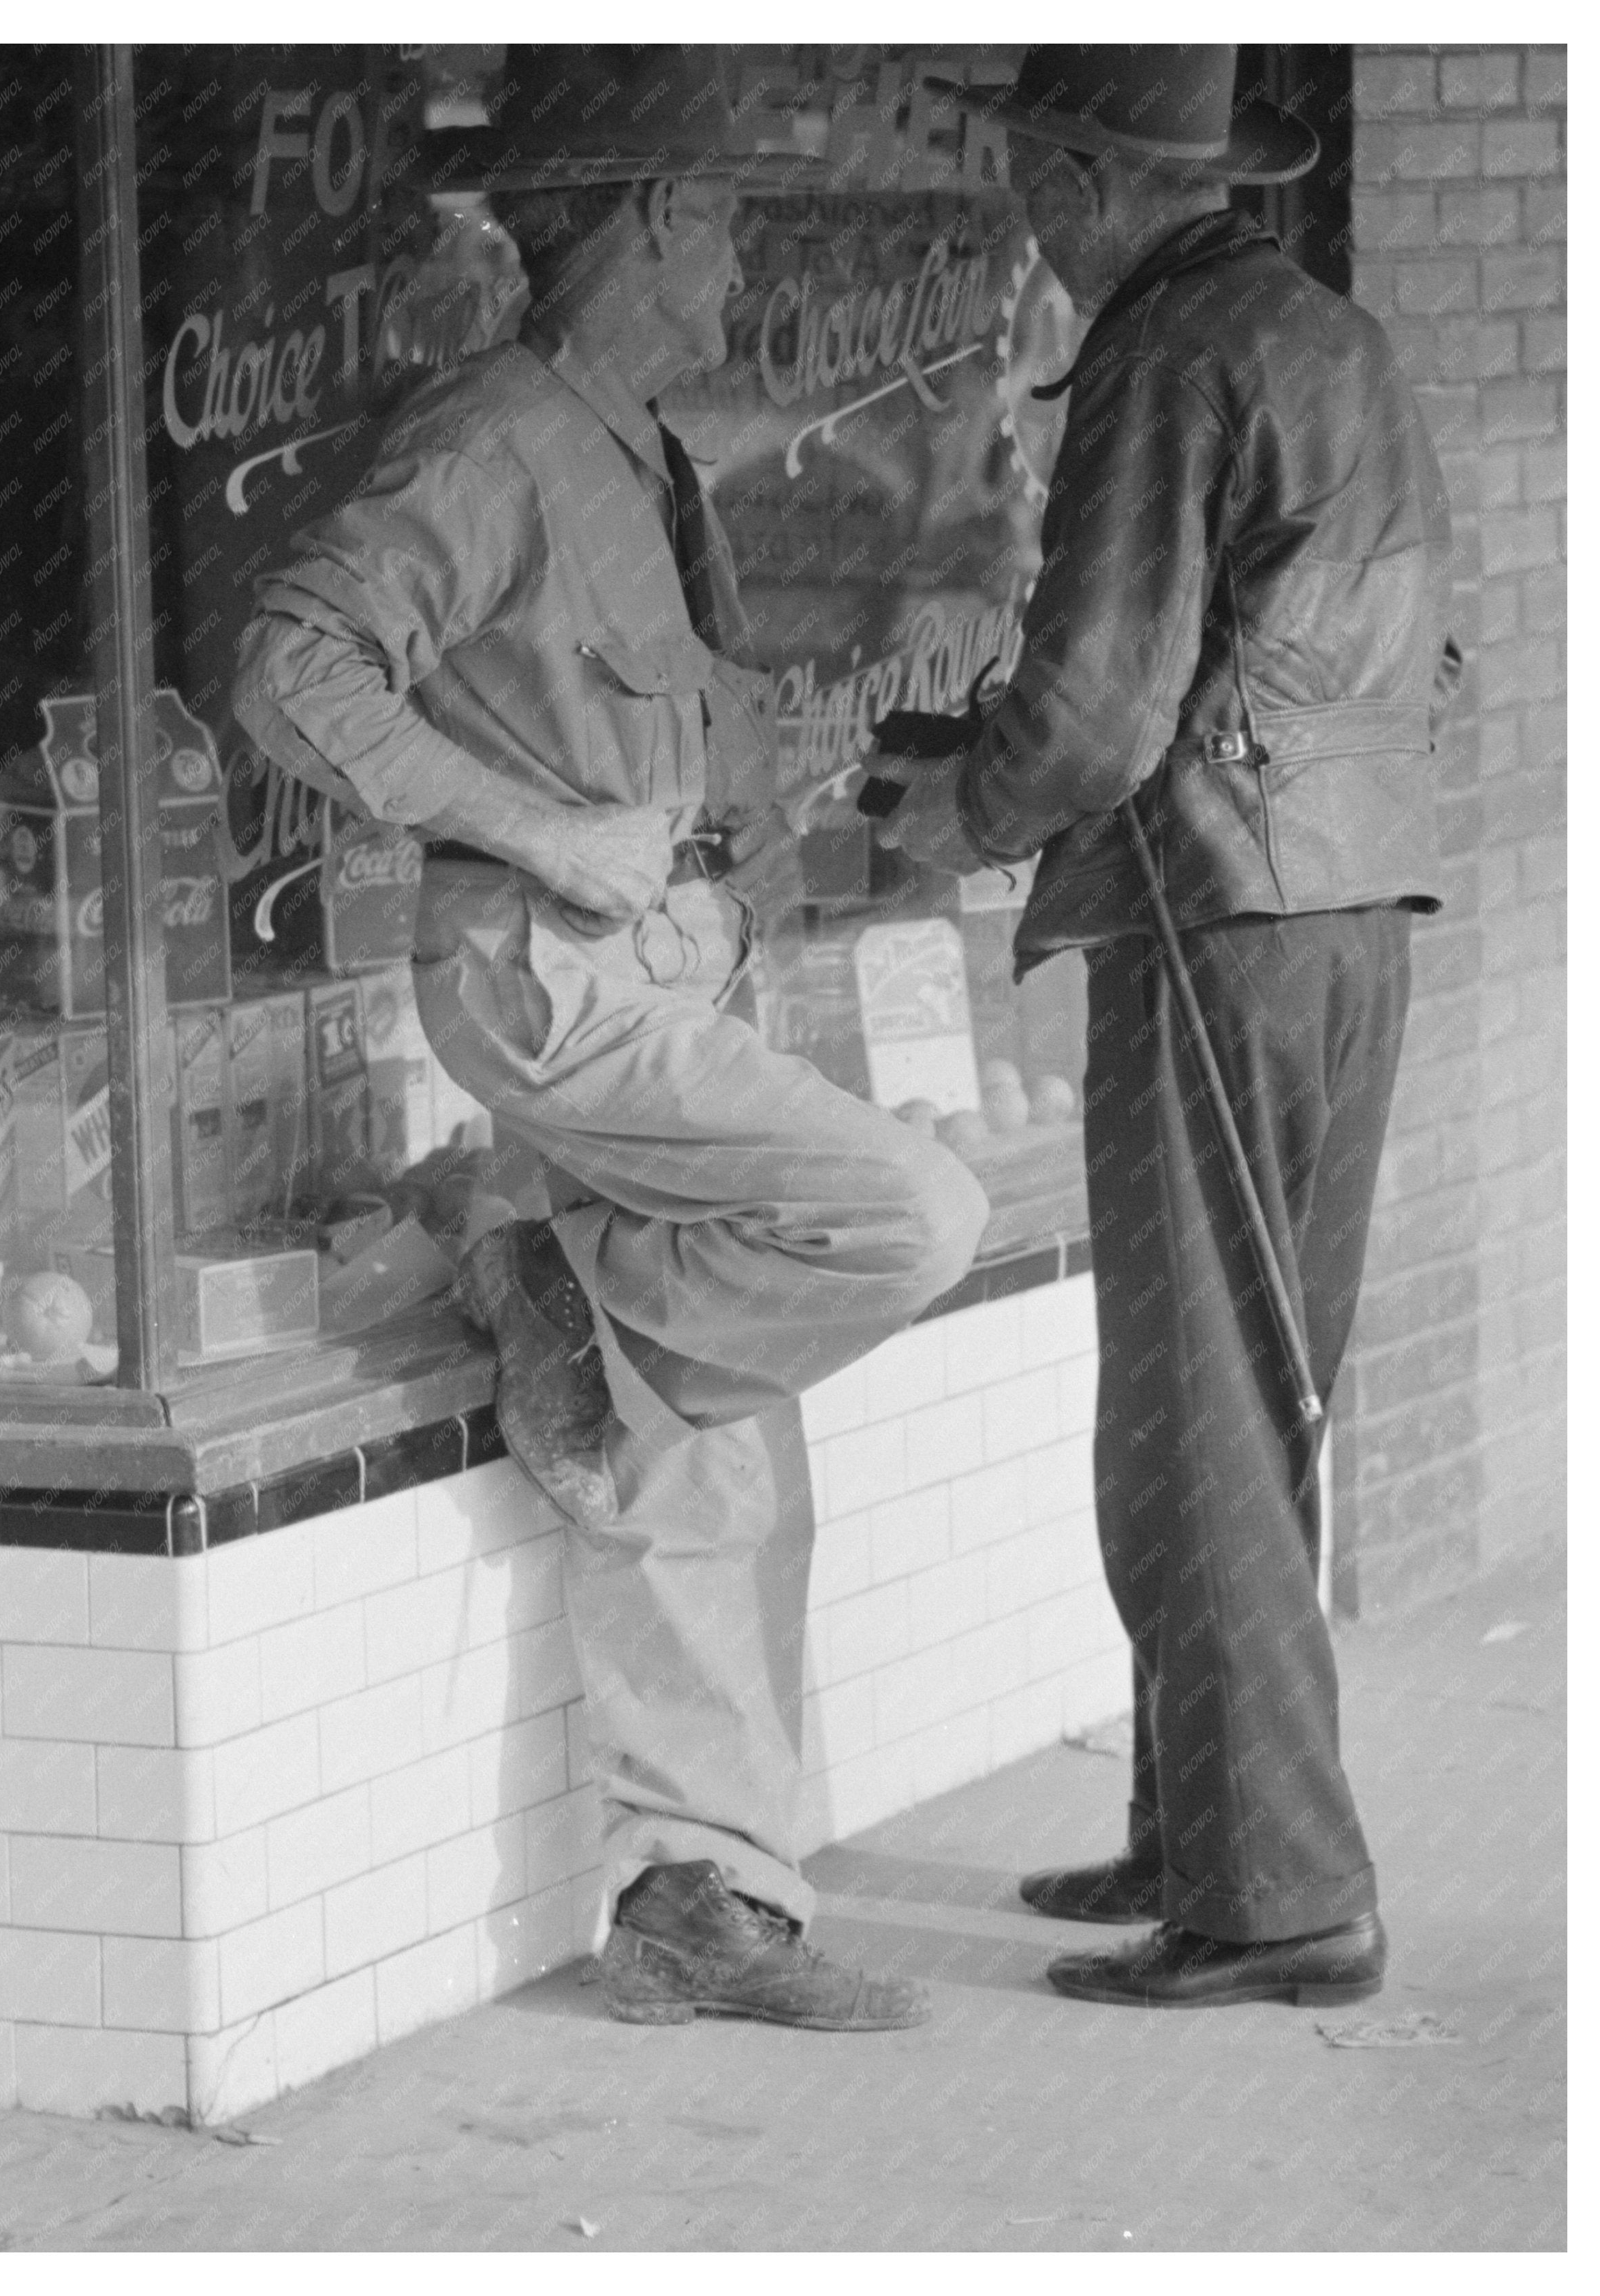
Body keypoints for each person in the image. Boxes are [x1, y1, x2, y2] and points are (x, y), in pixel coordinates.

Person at [234, 47, 988, 2032]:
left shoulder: (631, 444)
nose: (740, 250)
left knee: (698, 1425)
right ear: (648, 215)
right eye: (725, 210)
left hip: (665, 967)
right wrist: (541, 826)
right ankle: (546, 1260)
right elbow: (288, 661)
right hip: (551, 979)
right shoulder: (493, 435)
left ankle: (695, 1887)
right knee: (907, 1215)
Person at [877, 45, 1460, 2008]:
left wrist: (948, 807)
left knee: (1194, 1412)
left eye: (1034, 171)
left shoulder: (1164, 343)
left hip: (1217, 919)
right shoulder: (1325, 334)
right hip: (1351, 916)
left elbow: (1110, 704)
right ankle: (1205, 1831)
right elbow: (1304, 644)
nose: (1025, 210)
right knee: (1252, 1405)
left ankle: (1278, 1899)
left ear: (1082, 170)